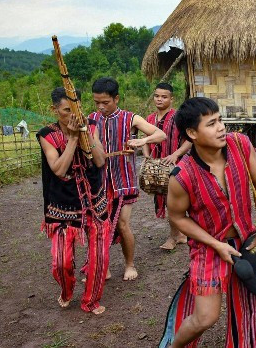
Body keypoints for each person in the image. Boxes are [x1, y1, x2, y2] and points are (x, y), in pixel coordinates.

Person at [164, 97, 256, 347]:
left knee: (255, 305)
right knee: (205, 317)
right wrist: (215, 244)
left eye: (220, 120)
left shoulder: (240, 145)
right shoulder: (182, 175)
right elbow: (177, 217)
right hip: (208, 248)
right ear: (191, 133)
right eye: (211, 124)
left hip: (248, 241)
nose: (221, 128)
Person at [37, 87, 110, 315]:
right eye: (66, 110)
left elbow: (99, 160)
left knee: (99, 258)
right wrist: (73, 139)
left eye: (76, 109)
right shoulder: (46, 135)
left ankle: (91, 301)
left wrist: (85, 134)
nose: (73, 115)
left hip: (94, 202)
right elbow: (58, 169)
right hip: (63, 205)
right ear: (55, 110)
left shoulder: (92, 125)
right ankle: (67, 290)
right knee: (61, 262)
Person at [89, 77, 166, 281]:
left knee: (123, 225)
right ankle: (102, 267)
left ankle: (129, 264)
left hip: (124, 182)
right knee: (99, 225)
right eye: (97, 102)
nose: (101, 107)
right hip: (99, 182)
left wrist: (143, 139)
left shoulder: (131, 118)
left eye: (105, 102)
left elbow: (160, 134)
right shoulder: (91, 119)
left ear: (116, 98)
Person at [142, 82, 192, 250]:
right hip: (157, 168)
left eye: (164, 97)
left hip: (176, 165)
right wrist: (147, 156)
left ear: (171, 99)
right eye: (157, 96)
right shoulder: (149, 119)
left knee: (174, 201)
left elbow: (190, 140)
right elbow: (145, 139)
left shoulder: (179, 117)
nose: (159, 99)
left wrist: (175, 154)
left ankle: (174, 236)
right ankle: (181, 234)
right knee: (166, 199)